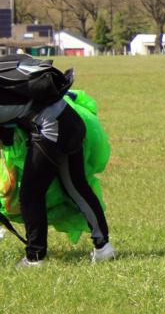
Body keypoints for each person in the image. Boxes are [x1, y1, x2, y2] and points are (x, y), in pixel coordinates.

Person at [0, 75, 116, 267]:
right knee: (76, 187)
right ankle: (104, 247)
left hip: (52, 128)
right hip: (69, 119)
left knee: (31, 194)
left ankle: (35, 258)